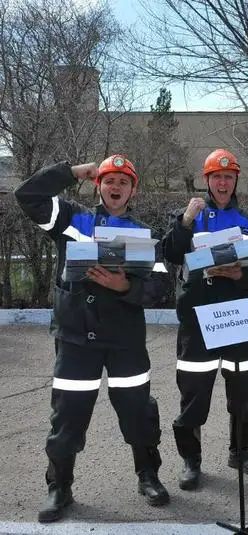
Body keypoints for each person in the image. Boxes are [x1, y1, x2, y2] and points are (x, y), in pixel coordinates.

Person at [15, 155, 171, 522]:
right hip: (76, 339)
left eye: (123, 182)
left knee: (137, 410)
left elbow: (161, 285)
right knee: (67, 415)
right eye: (109, 180)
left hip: (125, 341)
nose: (116, 187)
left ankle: (148, 475)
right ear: (97, 185)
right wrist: (69, 173)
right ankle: (59, 486)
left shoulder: (145, 235)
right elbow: (28, 196)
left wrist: (125, 286)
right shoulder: (72, 218)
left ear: (133, 191)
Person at [163, 149, 248, 491]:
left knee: (243, 393)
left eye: (228, 177)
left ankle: (240, 451)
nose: (223, 183)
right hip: (197, 321)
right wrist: (184, 222)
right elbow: (170, 254)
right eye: (216, 177)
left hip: (238, 317)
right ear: (206, 180)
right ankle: (191, 461)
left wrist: (241, 274)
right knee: (194, 394)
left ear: (236, 180)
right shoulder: (188, 217)